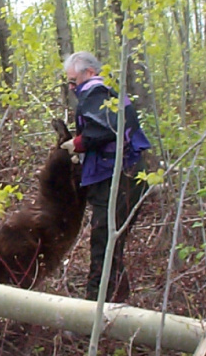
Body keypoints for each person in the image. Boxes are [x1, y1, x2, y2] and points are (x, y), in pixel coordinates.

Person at [61, 51, 151, 302]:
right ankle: (119, 304)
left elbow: (104, 128)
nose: (71, 87)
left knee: (104, 245)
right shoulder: (112, 93)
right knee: (114, 243)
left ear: (89, 73)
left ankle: (94, 313)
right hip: (128, 176)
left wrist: (78, 143)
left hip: (117, 179)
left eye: (73, 81)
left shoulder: (95, 93)